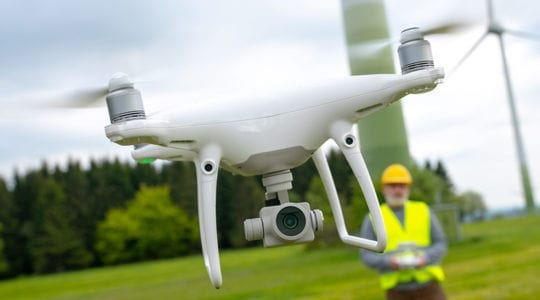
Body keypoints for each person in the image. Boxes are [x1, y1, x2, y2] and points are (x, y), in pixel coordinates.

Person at [360, 163, 448, 300]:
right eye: (393, 186)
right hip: (396, 291)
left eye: (402, 186)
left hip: (429, 287)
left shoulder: (423, 210)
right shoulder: (373, 218)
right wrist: (389, 262)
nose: (398, 190)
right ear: (384, 188)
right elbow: (366, 256)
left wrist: (425, 258)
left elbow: (440, 243)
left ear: (408, 188)